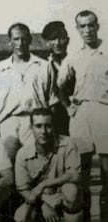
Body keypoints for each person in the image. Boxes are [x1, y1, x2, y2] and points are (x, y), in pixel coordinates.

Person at [57, 10, 108, 221]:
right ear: (77, 29)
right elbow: (60, 87)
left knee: (107, 170)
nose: (87, 30)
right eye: (82, 26)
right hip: (81, 114)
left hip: (104, 110)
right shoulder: (73, 57)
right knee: (82, 170)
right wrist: (68, 106)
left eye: (91, 25)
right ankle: (85, 217)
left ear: (97, 26)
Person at [0, 23, 52, 162]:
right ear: (9, 41)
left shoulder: (43, 65)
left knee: (34, 159)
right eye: (16, 39)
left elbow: (51, 98)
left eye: (24, 39)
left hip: (34, 119)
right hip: (8, 120)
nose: (20, 43)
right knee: (7, 158)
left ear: (29, 40)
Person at [14, 108, 82, 222]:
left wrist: (44, 184)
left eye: (48, 126)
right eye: (38, 126)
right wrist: (43, 205)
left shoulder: (67, 143)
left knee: (72, 191)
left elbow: (74, 175)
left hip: (61, 195)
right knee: (21, 216)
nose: (43, 131)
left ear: (54, 126)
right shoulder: (23, 153)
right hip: (40, 199)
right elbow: (24, 189)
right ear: (31, 128)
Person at [41, 21, 71, 136]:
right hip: (53, 115)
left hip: (75, 112)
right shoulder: (43, 65)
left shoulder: (76, 61)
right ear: (47, 42)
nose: (57, 43)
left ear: (67, 40)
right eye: (53, 39)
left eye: (61, 38)